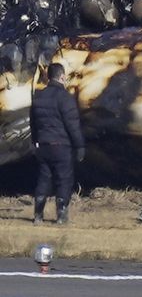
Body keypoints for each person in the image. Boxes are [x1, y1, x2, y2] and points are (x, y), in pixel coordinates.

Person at [30, 63, 84, 225]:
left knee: (44, 179)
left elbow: (33, 123)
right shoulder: (65, 98)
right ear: (62, 77)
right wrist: (80, 146)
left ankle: (38, 215)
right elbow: (72, 125)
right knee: (64, 179)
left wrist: (35, 143)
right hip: (61, 146)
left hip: (43, 146)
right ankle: (61, 216)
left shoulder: (38, 97)